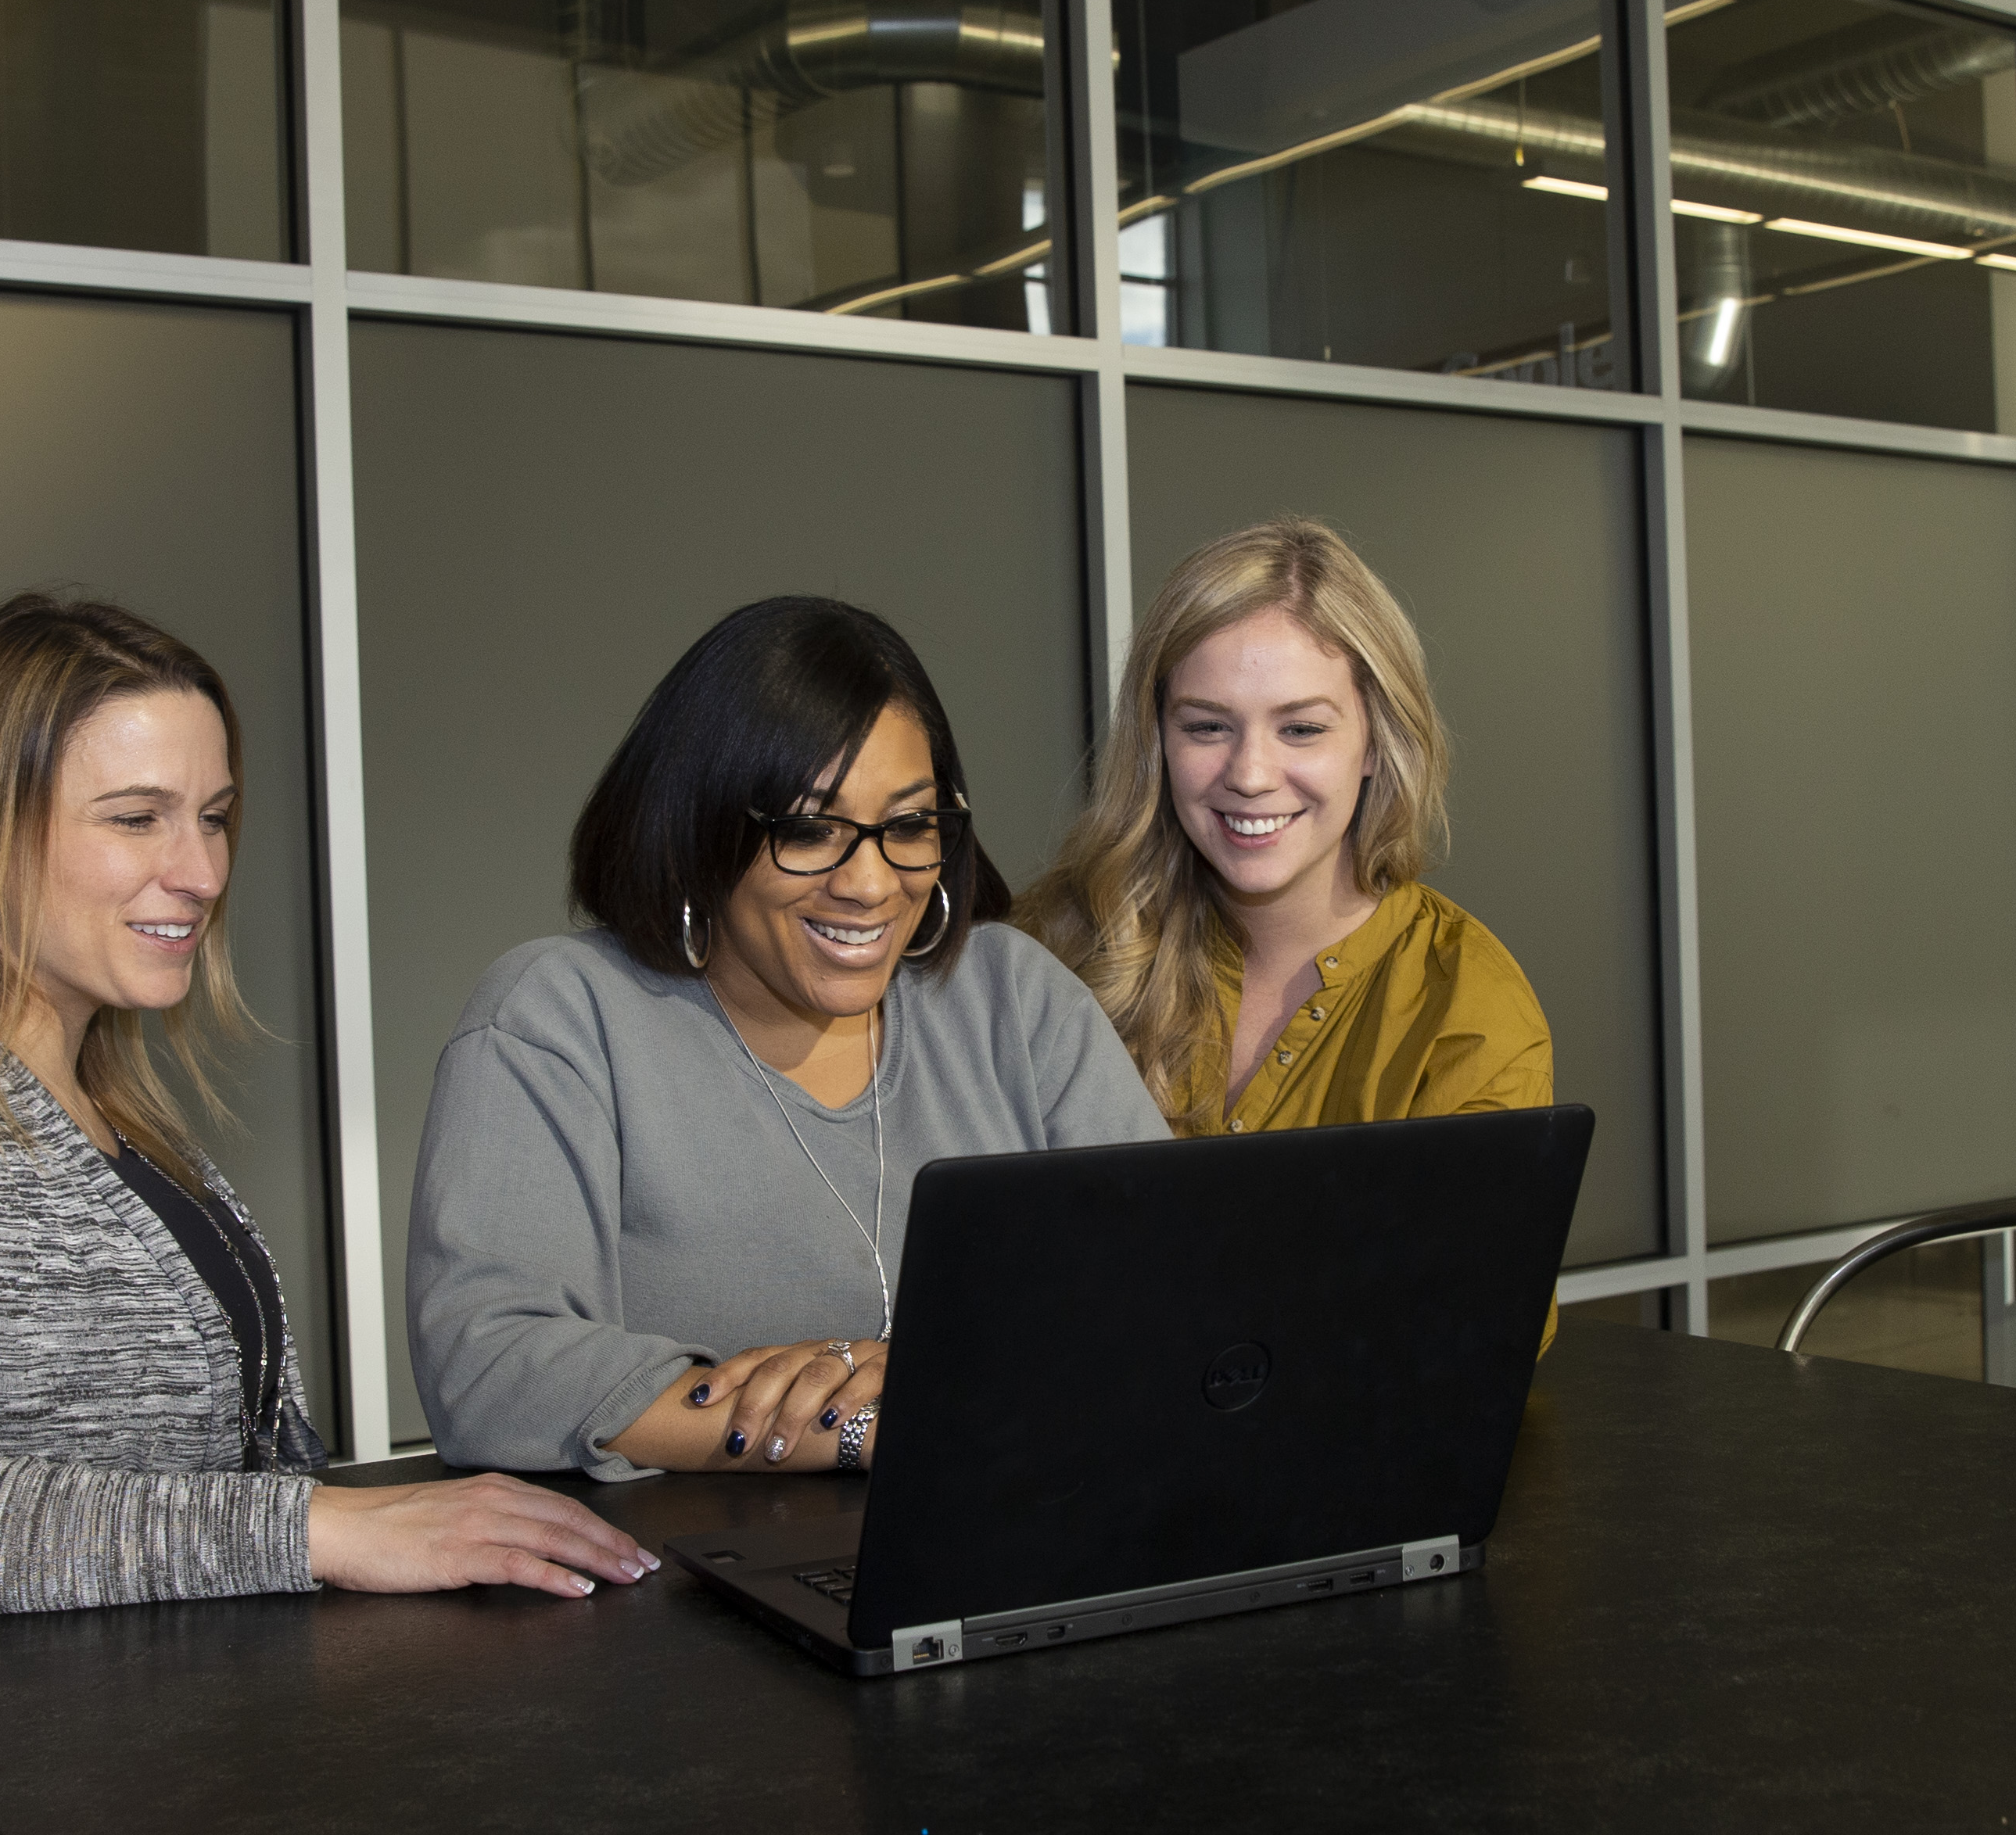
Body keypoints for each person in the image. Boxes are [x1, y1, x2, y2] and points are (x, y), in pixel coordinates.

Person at [0, 593, 652, 1618]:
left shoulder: (121, 1125)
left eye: (213, 818)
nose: (205, 872)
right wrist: (319, 1528)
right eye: (137, 819)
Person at [410, 597, 1168, 1479]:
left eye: (908, 826)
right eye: (809, 831)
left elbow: (1174, 1303)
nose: (870, 884)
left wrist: (937, 1382)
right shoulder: (558, 1015)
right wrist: (870, 1425)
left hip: (1026, 1528)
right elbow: (491, 1371)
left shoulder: (1014, 997)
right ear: (698, 829)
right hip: (687, 1561)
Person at [1024, 518, 1554, 1139]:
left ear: (1377, 744)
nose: (1250, 776)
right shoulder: (1047, 953)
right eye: (1207, 727)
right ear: (1157, 741)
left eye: (1301, 730)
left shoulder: (1469, 1010)